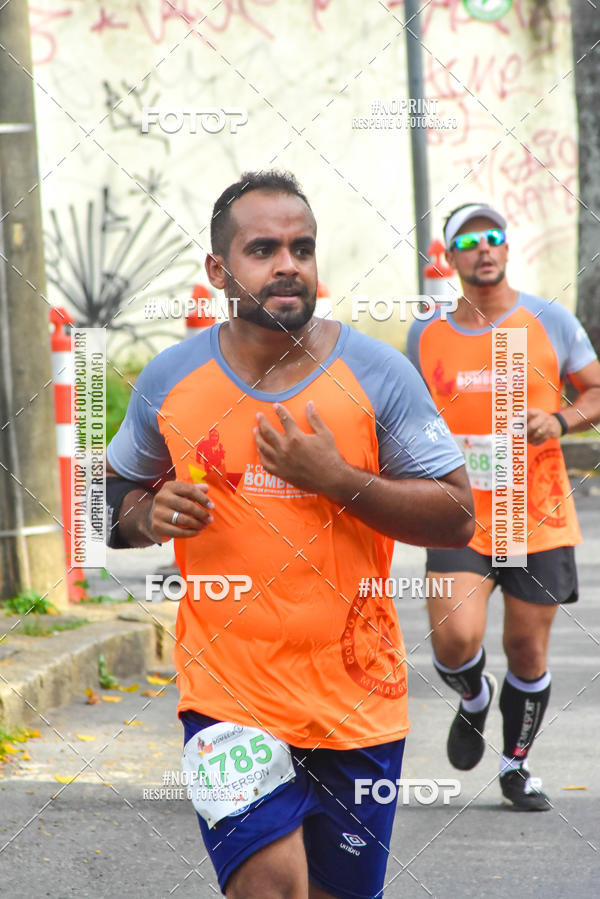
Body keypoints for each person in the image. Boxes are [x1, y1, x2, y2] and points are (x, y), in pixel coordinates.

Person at [105, 170, 474, 899]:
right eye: (263, 250)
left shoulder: (378, 372)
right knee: (268, 886)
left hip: (357, 698)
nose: (287, 265)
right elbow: (106, 498)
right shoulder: (171, 379)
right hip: (227, 694)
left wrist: (338, 479)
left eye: (301, 249)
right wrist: (146, 516)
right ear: (218, 270)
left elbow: (456, 513)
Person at [407, 202, 600, 811]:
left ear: (507, 247)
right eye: (468, 242)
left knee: (527, 650)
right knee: (453, 641)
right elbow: (402, 412)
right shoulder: (426, 333)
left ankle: (516, 766)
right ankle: (473, 696)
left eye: (493, 237)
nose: (483, 249)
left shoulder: (550, 319)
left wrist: (560, 420)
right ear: (450, 258)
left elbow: (595, 390)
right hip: (458, 512)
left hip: (534, 514)